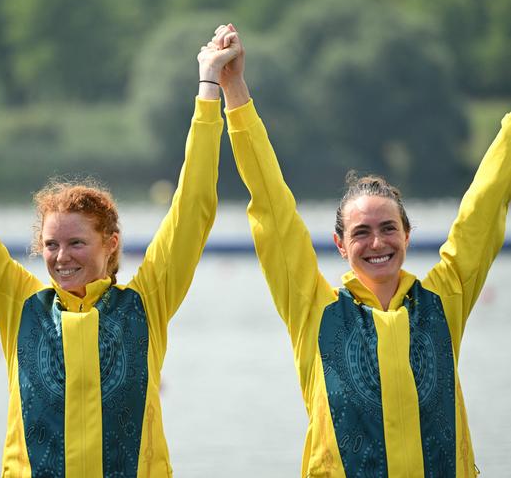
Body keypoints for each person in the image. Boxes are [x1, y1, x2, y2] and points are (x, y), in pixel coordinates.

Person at [0, 17, 240, 477]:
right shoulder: (19, 305)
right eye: (52, 244)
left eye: (77, 242)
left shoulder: (146, 303)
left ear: (110, 244)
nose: (62, 256)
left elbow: (194, 203)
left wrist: (208, 85)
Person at [215, 24, 509, 476]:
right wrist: (233, 88)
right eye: (362, 232)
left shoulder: (443, 300)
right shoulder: (314, 310)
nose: (377, 243)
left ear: (408, 236)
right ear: (339, 244)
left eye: (388, 228)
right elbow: (272, 210)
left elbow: (483, 209)